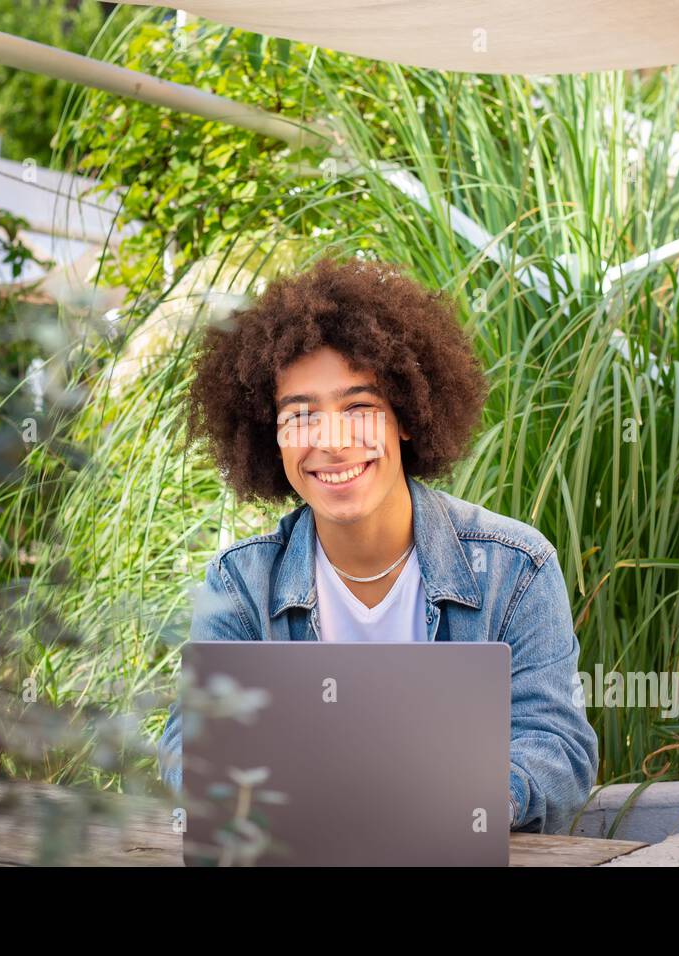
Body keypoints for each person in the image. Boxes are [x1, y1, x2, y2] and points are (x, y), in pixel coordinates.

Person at [157, 255, 598, 834]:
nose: (333, 442)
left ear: (407, 417)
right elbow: (187, 744)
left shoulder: (515, 568)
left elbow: (558, 749)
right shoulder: (242, 584)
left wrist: (460, 798)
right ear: (271, 438)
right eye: (300, 416)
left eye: (359, 407)